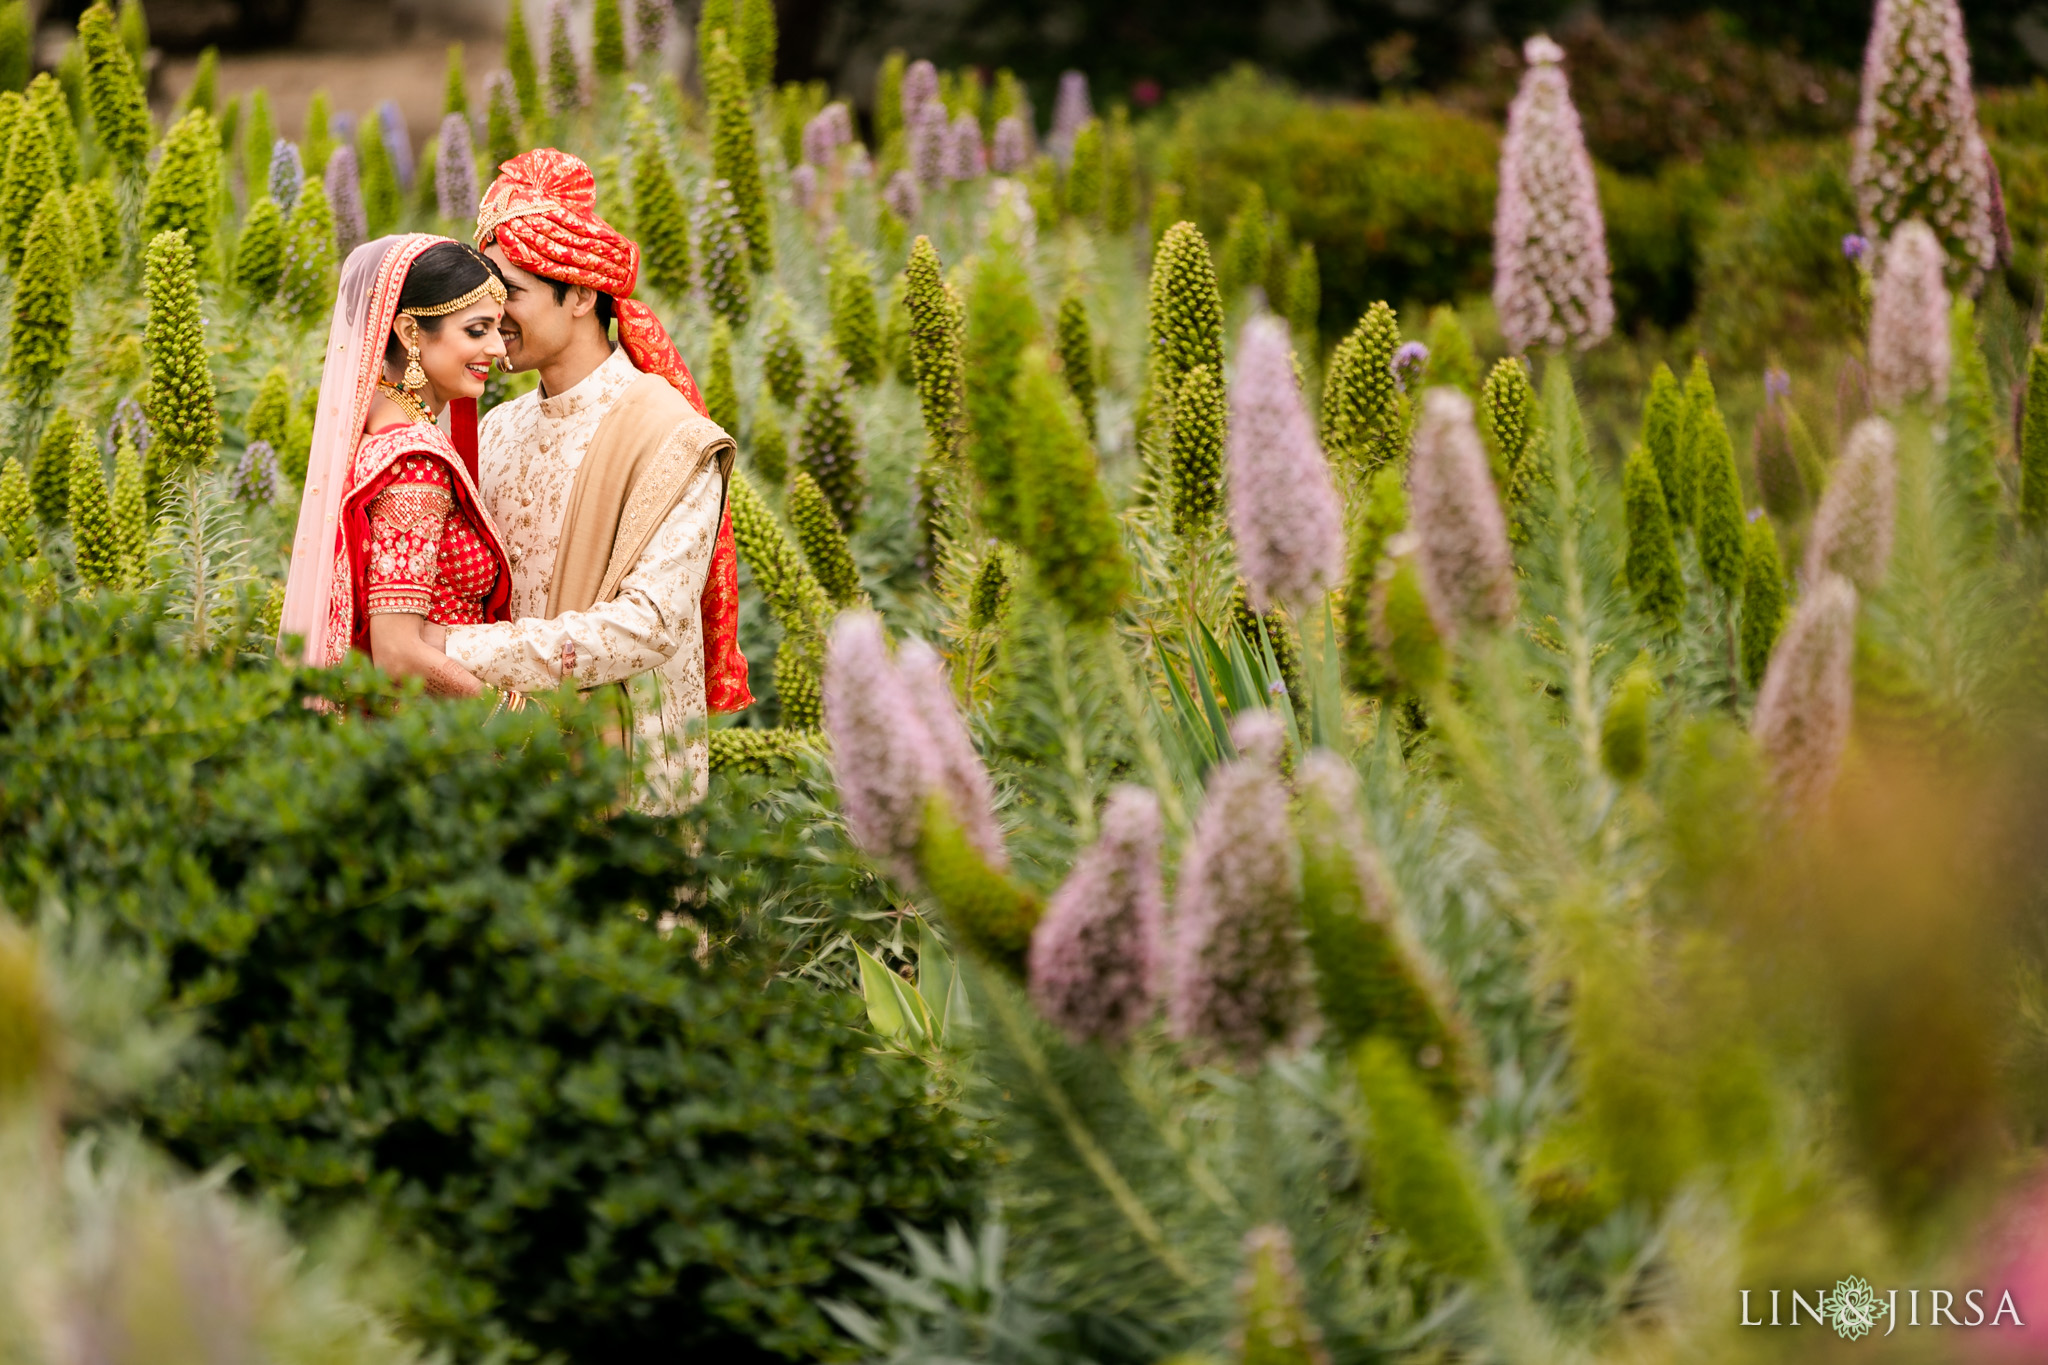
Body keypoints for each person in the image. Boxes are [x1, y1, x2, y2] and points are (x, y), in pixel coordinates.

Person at [420, 149, 751, 809]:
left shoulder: (670, 436)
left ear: (579, 293)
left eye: (508, 292)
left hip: (627, 780)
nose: (491, 314)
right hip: (508, 766)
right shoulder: (494, 430)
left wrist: (447, 647)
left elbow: (649, 625)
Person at [278, 234, 514, 696]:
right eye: (476, 330)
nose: (499, 349)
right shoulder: (415, 464)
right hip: (433, 734)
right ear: (410, 333)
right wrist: (514, 717)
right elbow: (397, 652)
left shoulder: (373, 430)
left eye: (497, 330)